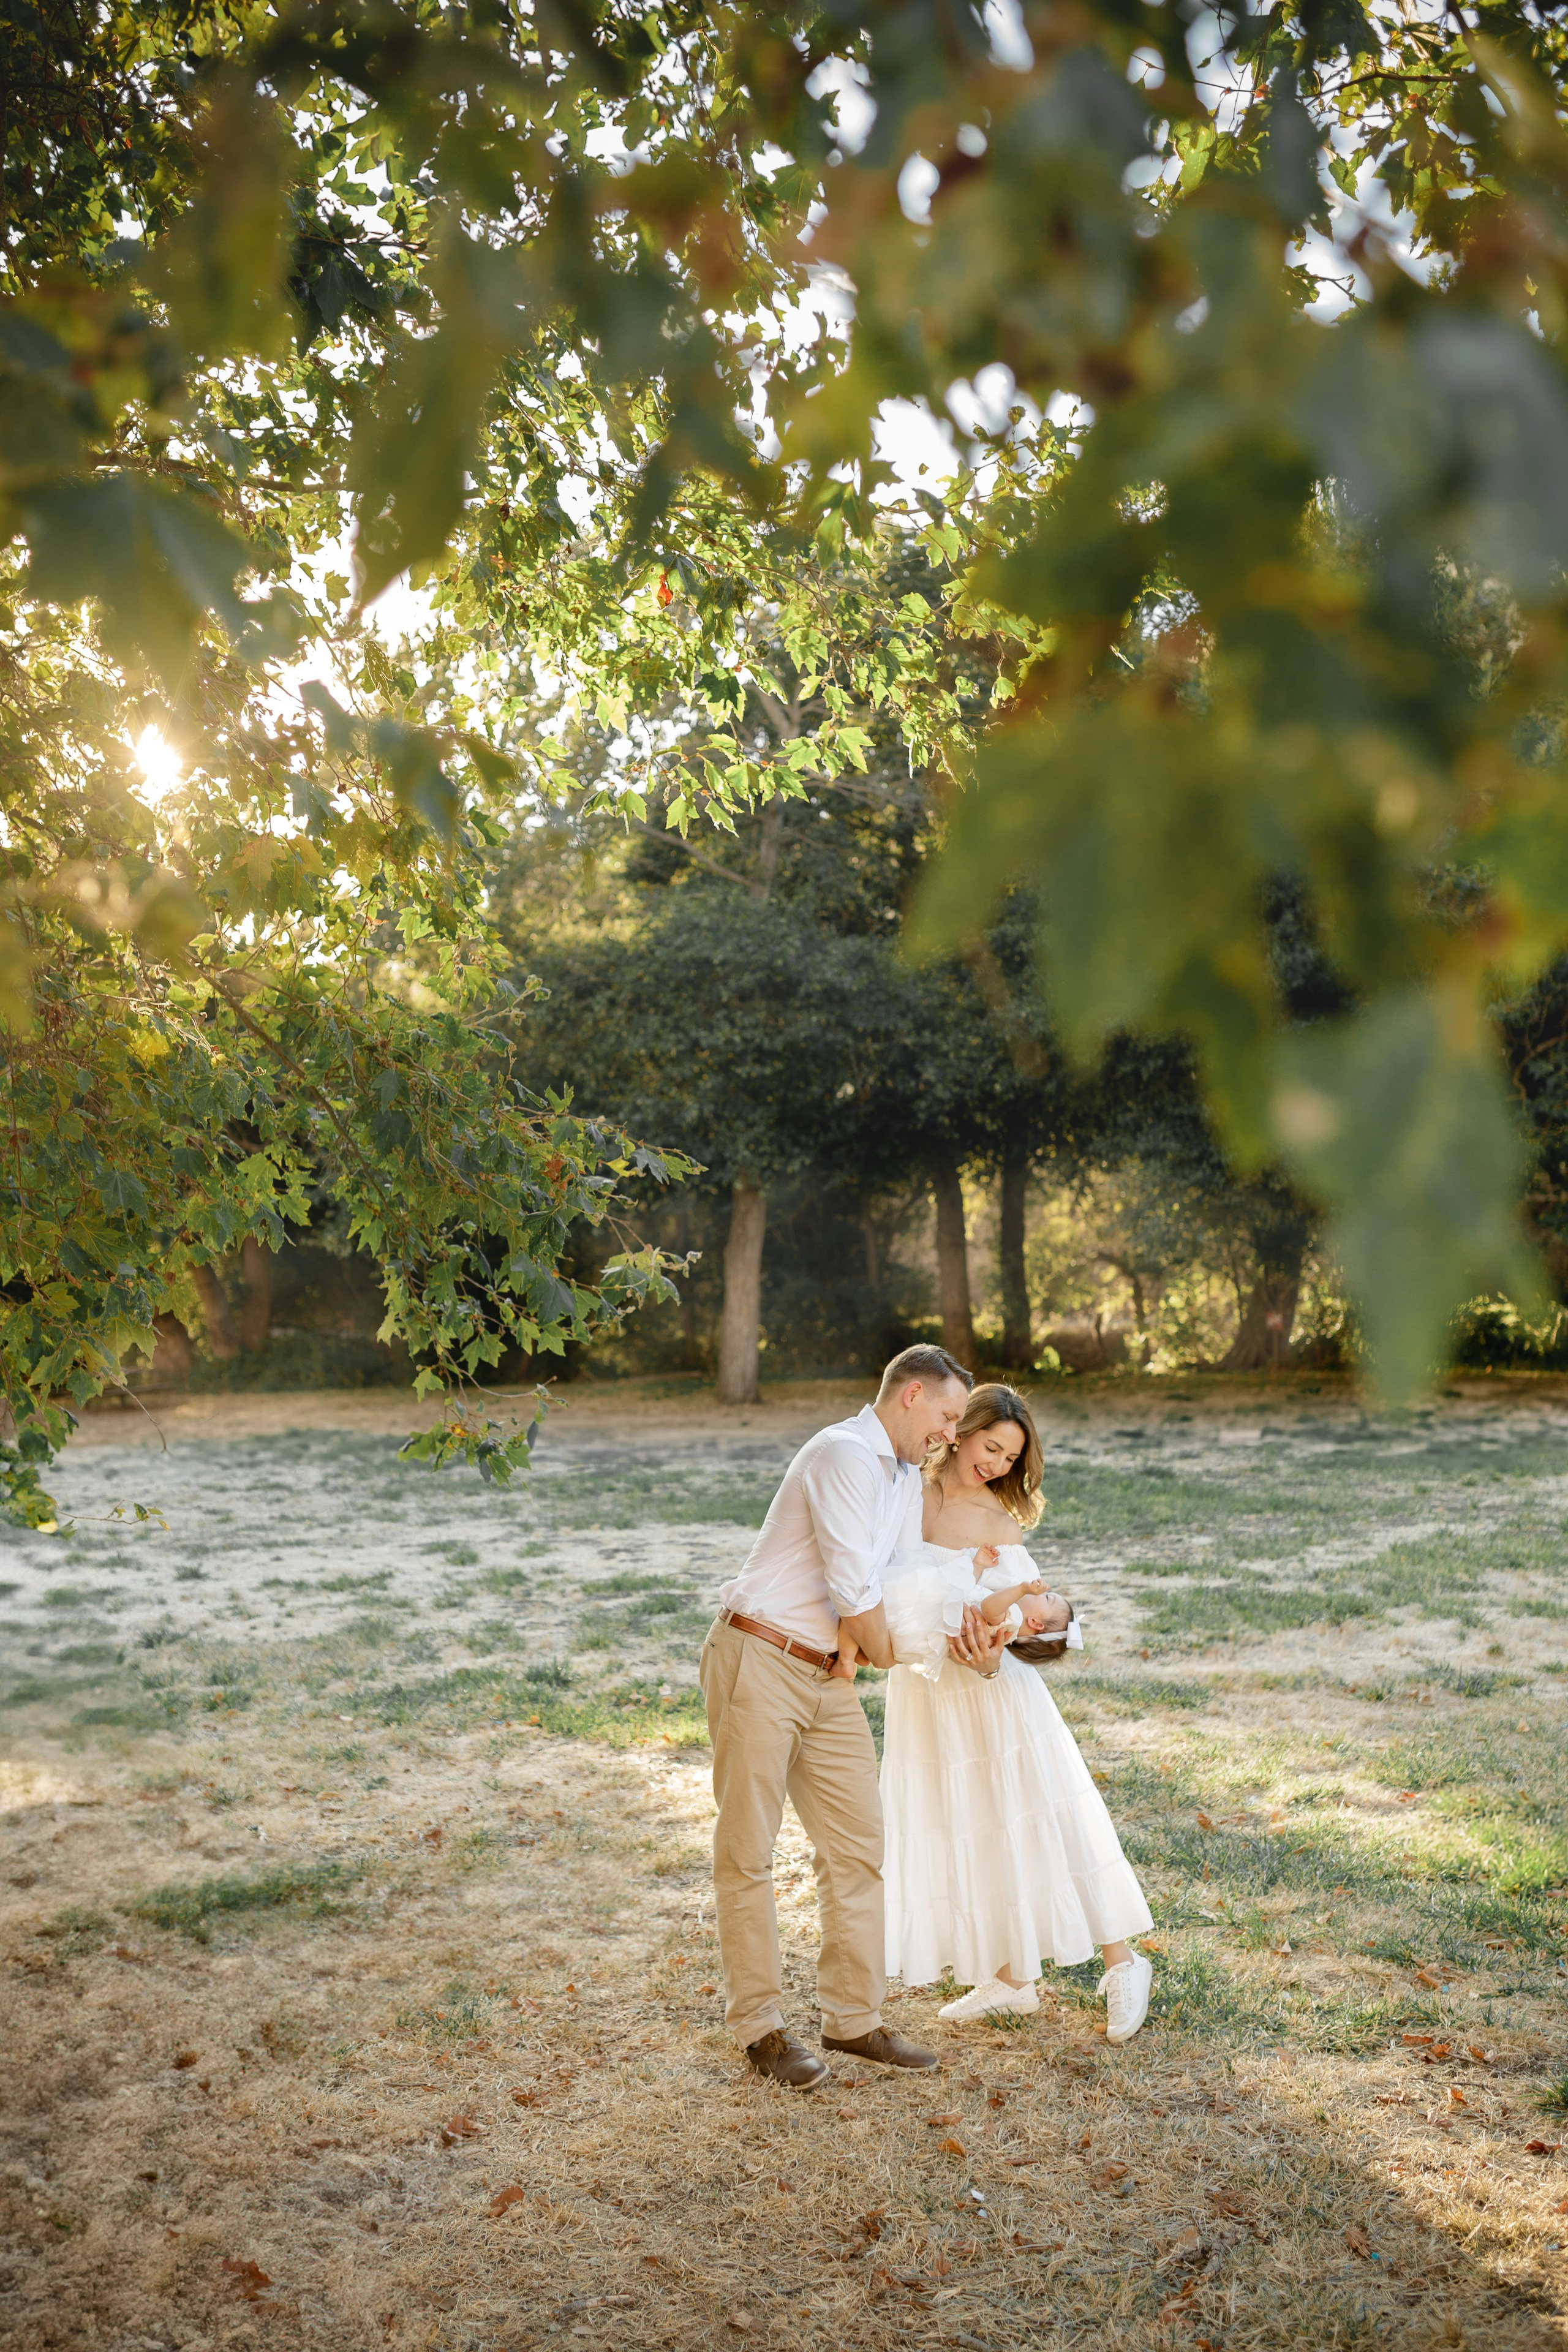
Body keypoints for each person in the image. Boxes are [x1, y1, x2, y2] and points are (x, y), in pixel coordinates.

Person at [698, 1342, 990, 2090]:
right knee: (748, 1851)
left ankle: (853, 2020)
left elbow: (900, 1582)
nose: (951, 1434)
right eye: (948, 1415)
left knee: (858, 1846)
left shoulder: (901, 1476)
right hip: (760, 1654)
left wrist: (979, 1620)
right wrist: (887, 1653)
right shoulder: (844, 1456)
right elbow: (856, 1589)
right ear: (912, 1394)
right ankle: (760, 2029)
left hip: (829, 1672)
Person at [880, 1382, 1156, 2041]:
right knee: (967, 1824)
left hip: (996, 1694)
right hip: (925, 1694)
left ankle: (1123, 1964)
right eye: (992, 1447)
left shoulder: (1000, 1526)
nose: (998, 1465)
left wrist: (989, 1658)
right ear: (960, 1431)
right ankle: (1010, 1979)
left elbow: (1031, 1625)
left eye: (1010, 1457)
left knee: (1047, 1819)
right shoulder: (900, 1496)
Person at [832, 1544, 1079, 1683]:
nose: (1042, 1593)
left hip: (923, 1614)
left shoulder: (1010, 1619)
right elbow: (968, 1593)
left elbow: (988, 1607)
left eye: (1048, 1598)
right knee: (872, 1619)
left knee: (870, 1603)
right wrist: (978, 1566)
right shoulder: (1003, 1633)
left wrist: (1022, 1589)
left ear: (1035, 1623)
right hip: (922, 1636)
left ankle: (846, 1660)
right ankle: (855, 1656)